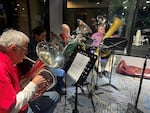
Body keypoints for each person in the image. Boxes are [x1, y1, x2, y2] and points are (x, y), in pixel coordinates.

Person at [0, 29, 60, 113]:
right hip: (20, 109)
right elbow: (12, 108)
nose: (27, 52)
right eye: (24, 49)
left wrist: (33, 74)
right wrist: (34, 85)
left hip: (22, 103)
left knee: (55, 96)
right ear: (13, 49)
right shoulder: (2, 69)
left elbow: (18, 86)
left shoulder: (11, 63)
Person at [27, 26, 66, 95]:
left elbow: (48, 54)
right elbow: (32, 59)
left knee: (61, 70)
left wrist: (53, 49)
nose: (44, 38)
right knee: (60, 72)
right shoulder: (32, 45)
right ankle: (54, 90)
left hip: (45, 65)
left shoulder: (42, 43)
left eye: (45, 36)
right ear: (36, 36)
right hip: (37, 67)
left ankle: (57, 89)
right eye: (43, 36)